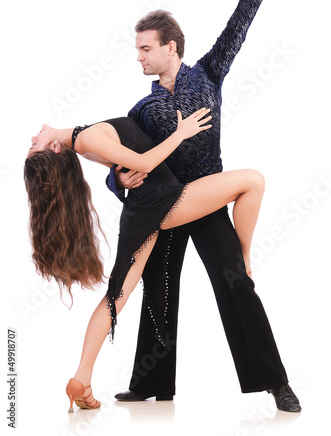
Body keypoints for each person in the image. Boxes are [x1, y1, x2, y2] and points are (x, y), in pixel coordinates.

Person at [110, 0, 302, 412]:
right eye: (137, 50)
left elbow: (238, 27)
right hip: (168, 207)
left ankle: (276, 382)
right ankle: (150, 383)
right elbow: (120, 163)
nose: (138, 56)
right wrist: (120, 177)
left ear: (170, 47)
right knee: (158, 289)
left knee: (237, 285)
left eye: (144, 49)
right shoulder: (142, 108)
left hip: (209, 200)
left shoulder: (209, 74)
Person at [25, 110, 265, 413]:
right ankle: (244, 256)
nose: (33, 138)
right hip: (168, 202)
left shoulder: (82, 143)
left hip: (142, 212)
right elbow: (146, 163)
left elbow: (123, 164)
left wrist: (118, 177)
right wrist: (182, 132)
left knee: (117, 296)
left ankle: (81, 379)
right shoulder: (85, 138)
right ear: (55, 148)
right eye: (35, 145)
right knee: (253, 181)